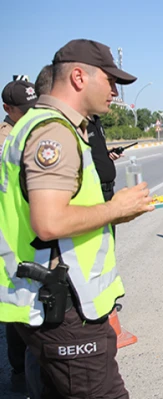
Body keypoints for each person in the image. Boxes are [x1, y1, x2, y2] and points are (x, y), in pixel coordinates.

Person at [0, 38, 154, 398]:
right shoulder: (53, 131)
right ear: (80, 77)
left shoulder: (39, 124)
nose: (115, 91)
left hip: (49, 300)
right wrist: (117, 209)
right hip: (65, 308)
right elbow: (49, 222)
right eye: (111, 80)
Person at [1, 78, 38, 394]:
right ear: (7, 110)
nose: (29, 114)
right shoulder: (5, 139)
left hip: (29, 237)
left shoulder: (30, 130)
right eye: (23, 110)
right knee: (16, 312)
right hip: (11, 240)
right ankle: (17, 374)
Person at [36, 65, 121, 202]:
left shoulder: (85, 121)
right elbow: (50, 218)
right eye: (109, 82)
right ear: (78, 79)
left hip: (100, 196)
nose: (114, 92)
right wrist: (117, 209)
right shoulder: (54, 128)